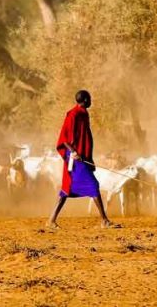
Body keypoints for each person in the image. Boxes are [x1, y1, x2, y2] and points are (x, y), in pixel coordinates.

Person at [47, 89, 118, 229]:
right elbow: (64, 139)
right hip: (75, 159)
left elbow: (84, 140)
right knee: (93, 185)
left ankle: (50, 221)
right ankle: (104, 221)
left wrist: (89, 158)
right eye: (90, 98)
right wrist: (74, 152)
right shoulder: (73, 114)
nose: (91, 101)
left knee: (66, 190)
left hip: (81, 157)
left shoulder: (83, 114)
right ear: (85, 100)